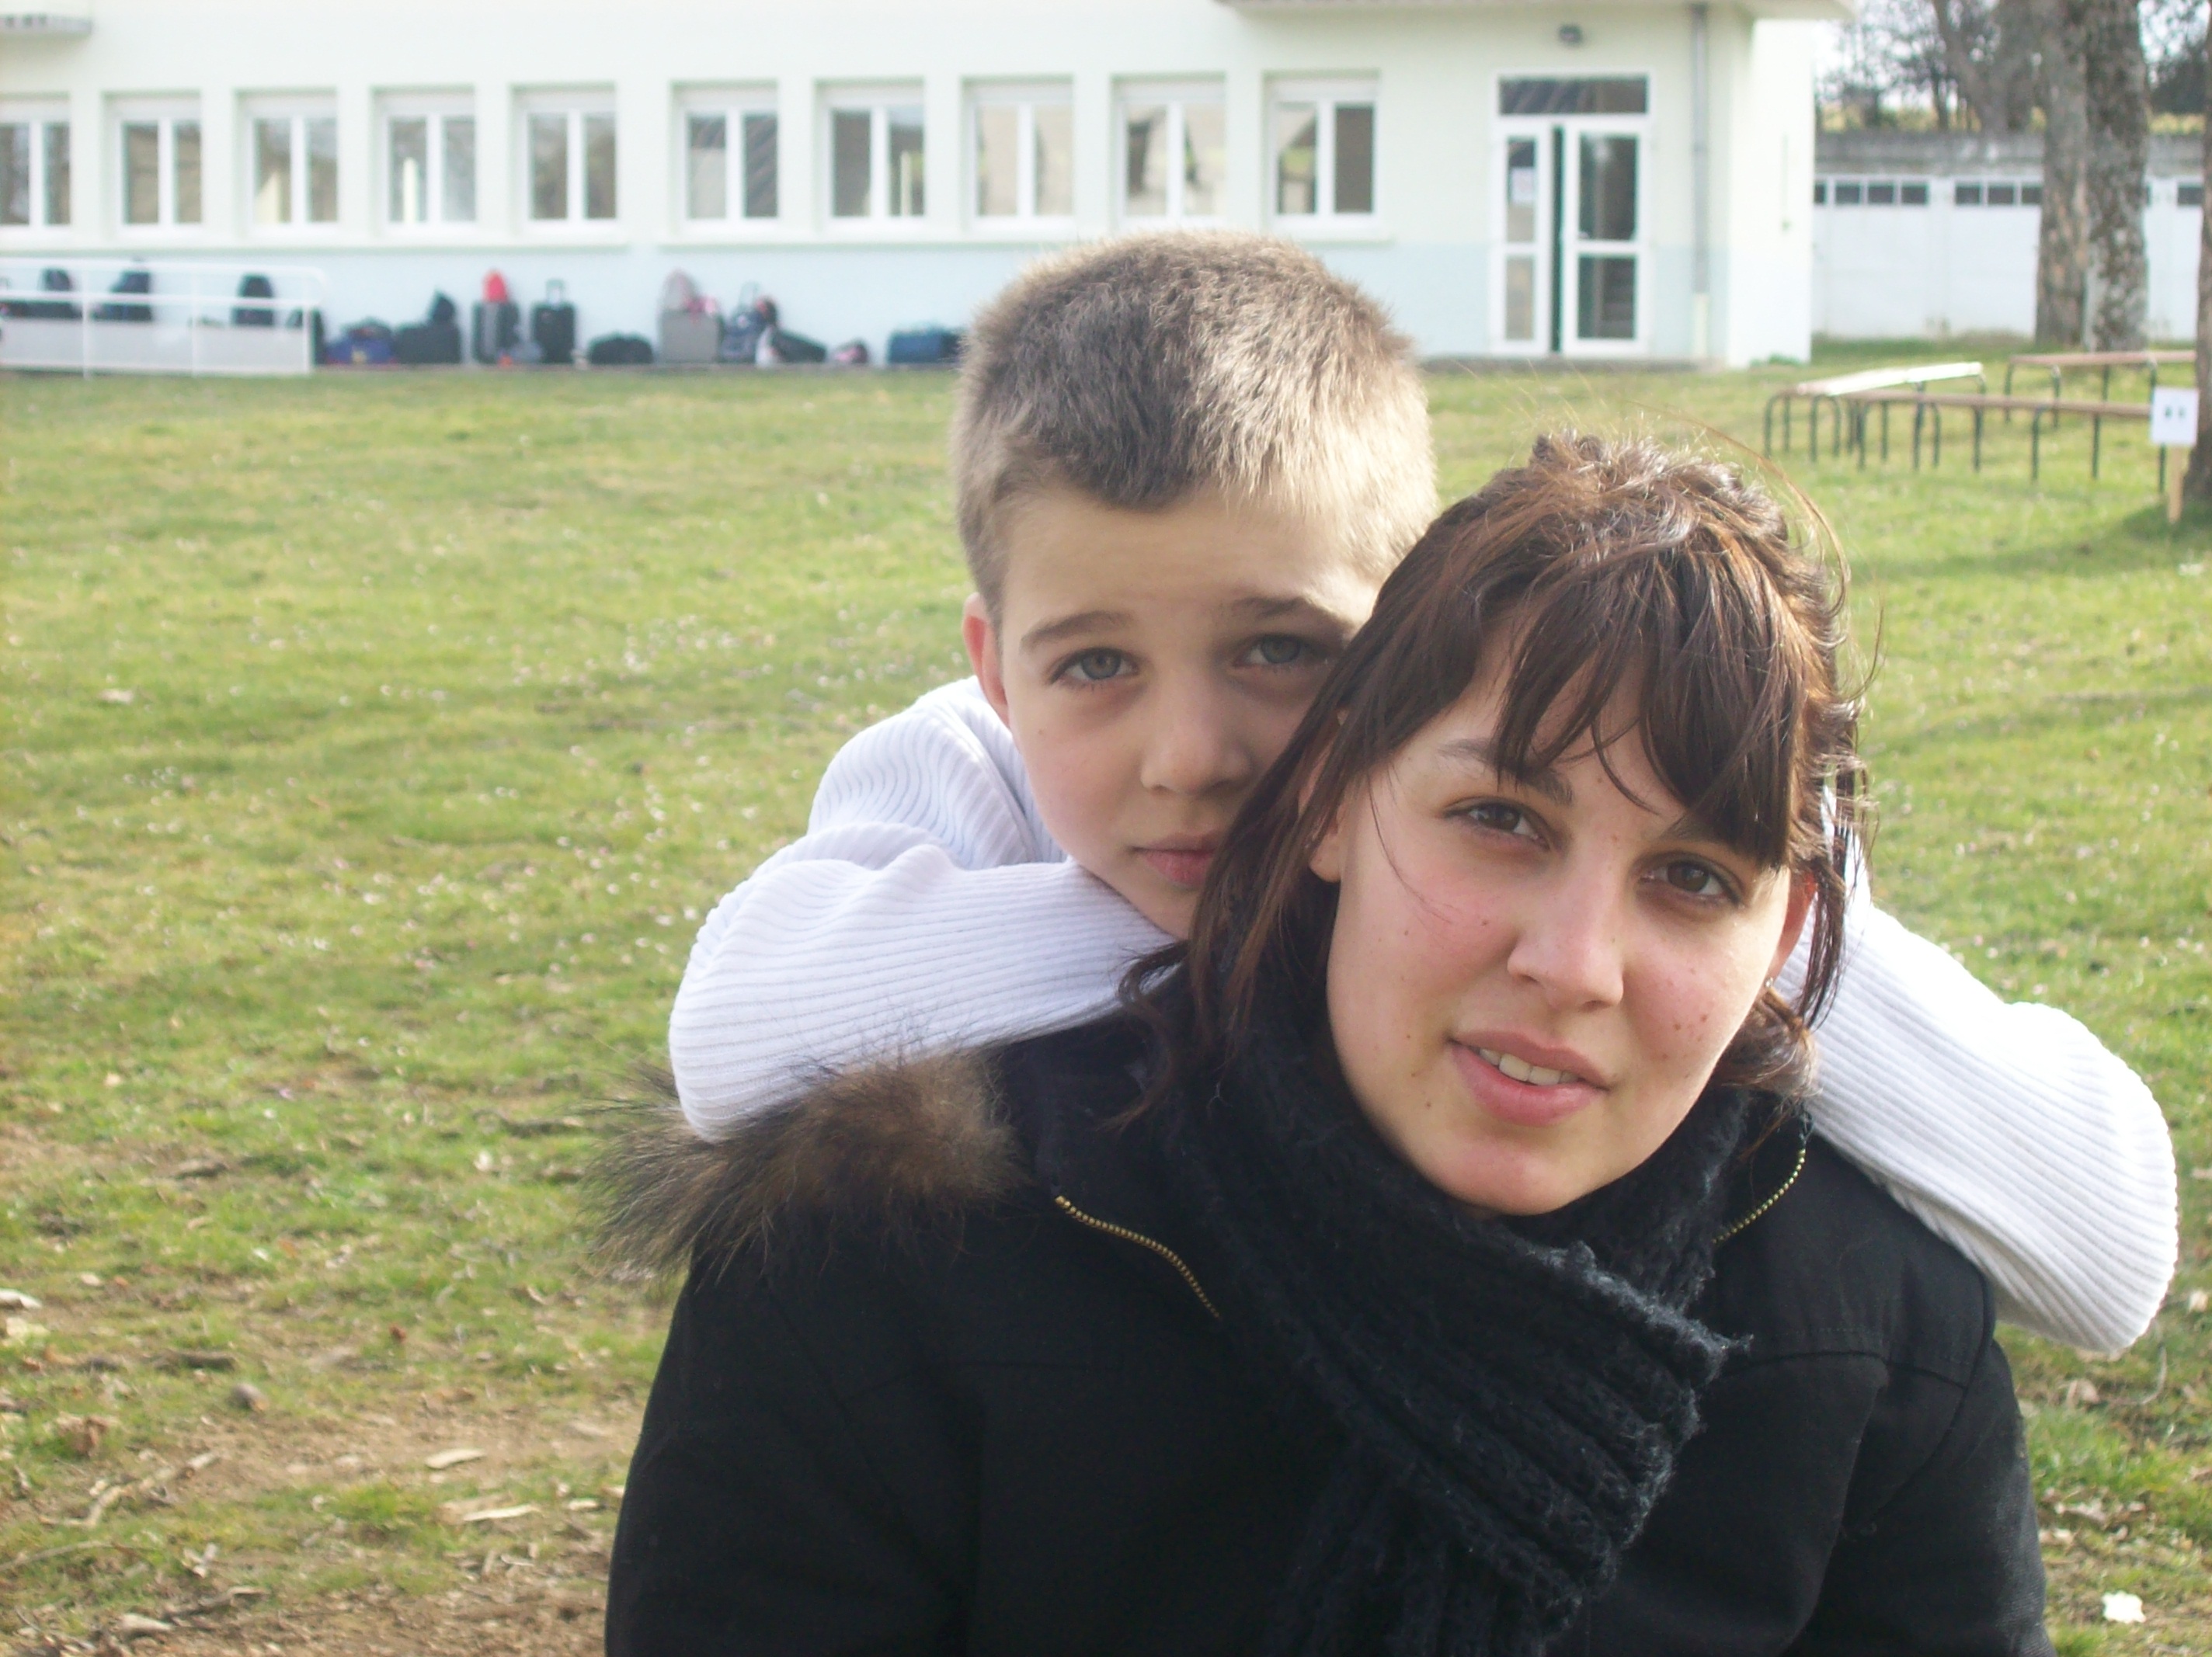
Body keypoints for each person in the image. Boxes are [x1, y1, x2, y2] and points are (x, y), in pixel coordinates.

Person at [604, 436, 2052, 1654]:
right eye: (1501, 819)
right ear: (1329, 801)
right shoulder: (888, 1263)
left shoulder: (1866, 1327)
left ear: (1785, 928)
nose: (1572, 965)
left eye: (1692, 878)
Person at [666, 233, 2175, 1356]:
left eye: (1278, 647)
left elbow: (2105, 1248)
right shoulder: (957, 757)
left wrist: (1739, 932)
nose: (1188, 755)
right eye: (1093, 665)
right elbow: (733, 1038)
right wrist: (1277, 914)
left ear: (1415, 618)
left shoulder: (1619, 815)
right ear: (996, 669)